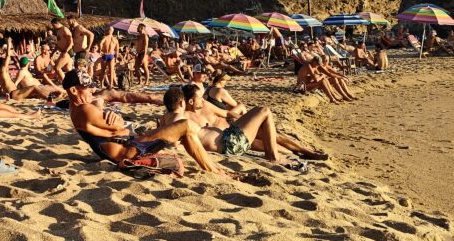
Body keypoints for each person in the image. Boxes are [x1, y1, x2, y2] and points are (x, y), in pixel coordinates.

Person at [63, 70, 229, 175]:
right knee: (186, 126)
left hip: (129, 145)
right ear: (73, 90)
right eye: (86, 87)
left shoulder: (76, 110)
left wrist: (104, 108)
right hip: (130, 150)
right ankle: (214, 170)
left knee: (181, 130)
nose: (91, 90)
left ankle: (213, 169)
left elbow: (105, 122)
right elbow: (119, 125)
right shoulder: (85, 109)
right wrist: (113, 115)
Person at [179, 84, 327, 161]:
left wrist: (246, 118)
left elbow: (226, 113)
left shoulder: (205, 106)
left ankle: (307, 152)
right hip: (229, 138)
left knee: (276, 136)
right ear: (191, 101)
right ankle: (293, 153)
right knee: (268, 144)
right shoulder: (185, 118)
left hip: (234, 128)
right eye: (200, 98)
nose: (203, 99)